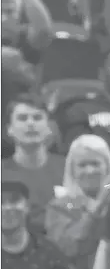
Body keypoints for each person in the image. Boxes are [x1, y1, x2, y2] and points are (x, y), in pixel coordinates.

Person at [45, 135, 110, 269]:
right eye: (82, 165)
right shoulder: (58, 207)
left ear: (108, 166)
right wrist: (97, 207)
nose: (90, 170)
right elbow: (67, 249)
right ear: (72, 170)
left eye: (95, 163)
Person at [1, 94, 65, 234]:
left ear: (49, 127)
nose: (30, 123)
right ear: (9, 129)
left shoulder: (68, 168)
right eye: (22, 118)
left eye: (37, 118)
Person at [2, 180, 72, 269]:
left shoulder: (51, 252)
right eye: (1, 202)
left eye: (14, 201)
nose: (7, 208)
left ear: (27, 207)